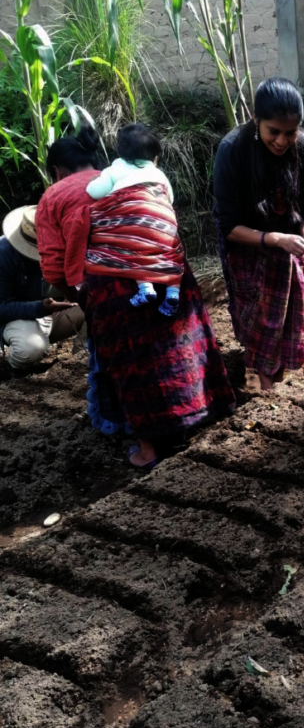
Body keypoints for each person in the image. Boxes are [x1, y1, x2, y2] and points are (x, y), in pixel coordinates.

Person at [37, 127, 235, 471]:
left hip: (112, 281)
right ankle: (208, 412)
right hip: (168, 264)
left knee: (133, 361)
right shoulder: (139, 173)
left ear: (56, 171)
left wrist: (85, 300)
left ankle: (148, 448)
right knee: (182, 342)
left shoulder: (54, 196)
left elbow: (55, 269)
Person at [214, 77, 304, 394]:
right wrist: (274, 239)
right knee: (260, 311)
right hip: (247, 241)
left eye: (290, 133)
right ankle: (267, 388)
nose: (281, 140)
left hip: (290, 240)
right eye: (273, 132)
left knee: (290, 312)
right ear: (255, 120)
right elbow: (230, 225)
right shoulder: (233, 151)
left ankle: (274, 380)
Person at [86, 122, 181, 315]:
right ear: (155, 157)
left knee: (132, 248)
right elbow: (169, 198)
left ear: (121, 153)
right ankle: (173, 294)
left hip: (132, 220)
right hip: (162, 223)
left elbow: (94, 191)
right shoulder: (158, 173)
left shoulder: (116, 168)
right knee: (172, 253)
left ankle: (145, 289)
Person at [0, 205, 83, 372]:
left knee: (98, 304)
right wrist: (41, 308)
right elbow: (2, 307)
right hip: (13, 319)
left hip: (49, 313)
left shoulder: (64, 247)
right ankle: (13, 372)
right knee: (31, 349)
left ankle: (79, 361)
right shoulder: (4, 254)